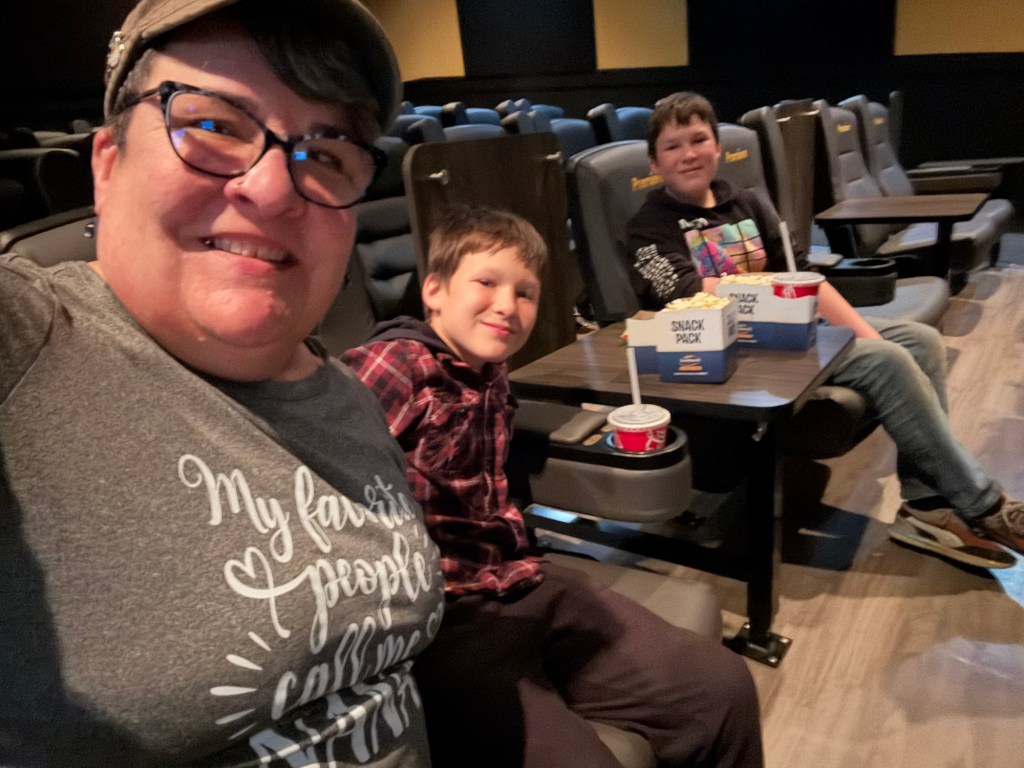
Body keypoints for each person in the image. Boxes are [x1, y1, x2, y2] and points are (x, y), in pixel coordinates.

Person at [0, 1, 445, 765]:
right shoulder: (28, 343)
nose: (273, 190)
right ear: (106, 165)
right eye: (211, 124)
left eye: (326, 152)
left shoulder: (349, 394)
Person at [342, 205, 764, 768]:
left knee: (720, 684)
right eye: (486, 283)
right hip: (444, 618)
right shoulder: (397, 364)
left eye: (525, 293)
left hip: (517, 578)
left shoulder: (491, 372)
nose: (507, 305)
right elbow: (318, 480)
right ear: (434, 290)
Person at [626, 90, 1024, 570]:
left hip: (791, 333)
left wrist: (861, 332)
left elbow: (805, 279)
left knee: (919, 341)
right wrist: (784, 294)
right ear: (654, 162)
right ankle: (984, 502)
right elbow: (687, 292)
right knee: (887, 362)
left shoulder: (748, 203)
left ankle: (925, 504)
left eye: (698, 139)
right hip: (731, 355)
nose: (688, 154)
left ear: (718, 146)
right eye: (672, 146)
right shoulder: (649, 227)